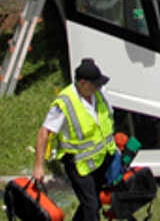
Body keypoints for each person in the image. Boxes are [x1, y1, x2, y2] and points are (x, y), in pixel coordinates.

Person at [33, 58, 118, 221]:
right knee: (91, 208)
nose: (99, 86)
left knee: (93, 203)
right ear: (83, 83)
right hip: (78, 164)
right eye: (95, 84)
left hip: (100, 159)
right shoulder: (64, 103)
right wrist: (38, 166)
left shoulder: (99, 92)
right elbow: (44, 132)